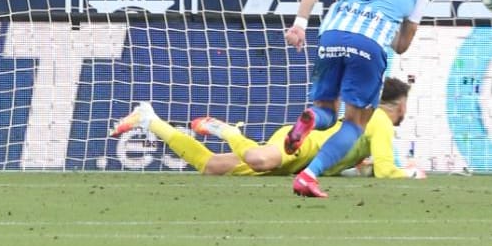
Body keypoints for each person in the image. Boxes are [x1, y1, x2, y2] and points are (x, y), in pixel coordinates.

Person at [282, 0, 429, 199]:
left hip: (332, 35)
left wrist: (300, 25)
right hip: (369, 44)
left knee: (325, 108)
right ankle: (308, 176)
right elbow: (401, 46)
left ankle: (312, 116)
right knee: (355, 123)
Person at [110, 78, 423, 178]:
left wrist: (360, 167)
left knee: (211, 166)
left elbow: (365, 167)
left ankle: (149, 119)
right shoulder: (380, 120)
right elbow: (386, 172)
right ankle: (226, 130)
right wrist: (412, 173)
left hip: (298, 163)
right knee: (260, 159)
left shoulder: (367, 120)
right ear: (400, 105)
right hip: (303, 145)